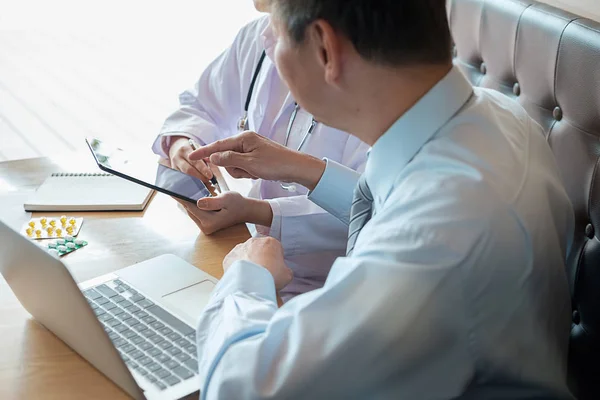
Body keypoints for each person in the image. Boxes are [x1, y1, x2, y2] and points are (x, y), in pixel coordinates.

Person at [186, 0, 576, 399]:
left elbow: (241, 388)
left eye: (278, 38)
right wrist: (304, 168)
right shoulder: (505, 118)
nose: (272, 52)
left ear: (324, 48)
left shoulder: (431, 240)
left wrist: (249, 277)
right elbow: (386, 199)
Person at [151, 1, 369, 301]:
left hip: (322, 288)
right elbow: (198, 105)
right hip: (248, 254)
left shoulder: (367, 69)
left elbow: (371, 209)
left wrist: (258, 211)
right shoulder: (260, 35)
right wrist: (183, 142)